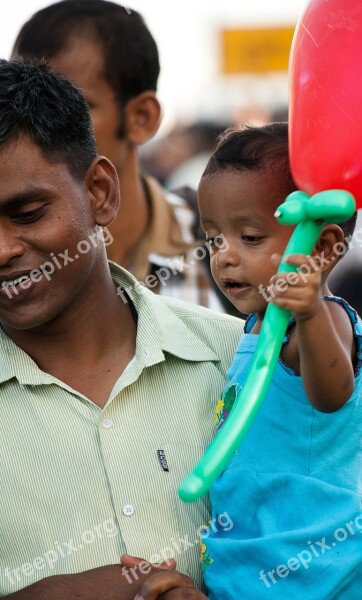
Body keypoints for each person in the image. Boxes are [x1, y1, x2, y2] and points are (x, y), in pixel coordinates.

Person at [0, 58, 244, 598]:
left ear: (101, 192)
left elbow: (345, 553)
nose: (3, 249)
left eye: (27, 213)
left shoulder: (239, 363)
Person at [191, 123, 362, 599]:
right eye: (214, 237)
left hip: (324, 561)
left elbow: (331, 396)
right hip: (274, 547)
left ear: (321, 248)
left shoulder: (324, 321)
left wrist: (308, 313)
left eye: (248, 237)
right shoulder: (259, 326)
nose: (223, 257)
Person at [12, 0, 225, 311]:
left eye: (70, 109)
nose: (35, 131)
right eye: (22, 108)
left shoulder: (223, 242)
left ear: (142, 118)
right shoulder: (12, 262)